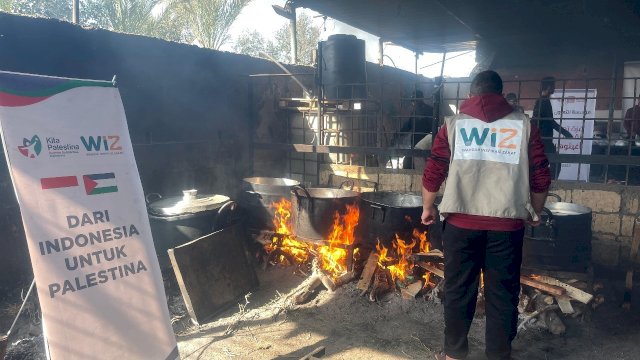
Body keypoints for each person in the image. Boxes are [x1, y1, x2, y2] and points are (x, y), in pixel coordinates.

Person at [421, 70, 550, 360]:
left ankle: (454, 354)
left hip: (460, 226)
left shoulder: (453, 125)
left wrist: (428, 207)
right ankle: (498, 354)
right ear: (500, 95)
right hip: (506, 227)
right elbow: (541, 174)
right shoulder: (524, 126)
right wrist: (535, 211)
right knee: (503, 295)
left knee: (458, 291)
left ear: (471, 94)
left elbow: (435, 170)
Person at [532, 77, 573, 176]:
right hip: (544, 139)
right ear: (549, 87)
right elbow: (550, 121)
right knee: (555, 163)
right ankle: (551, 182)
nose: (554, 88)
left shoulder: (541, 101)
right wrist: (566, 133)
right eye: (553, 86)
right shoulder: (544, 101)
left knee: (548, 163)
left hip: (542, 138)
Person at [400, 90, 434, 169]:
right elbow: (408, 126)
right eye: (413, 101)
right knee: (408, 163)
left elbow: (433, 128)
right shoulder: (415, 112)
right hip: (415, 145)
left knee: (418, 166)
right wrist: (398, 134)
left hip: (425, 146)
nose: (413, 103)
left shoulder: (429, 111)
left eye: (415, 101)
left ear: (420, 100)